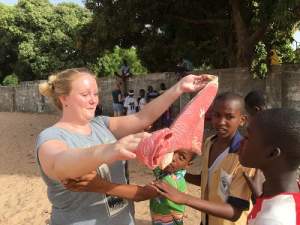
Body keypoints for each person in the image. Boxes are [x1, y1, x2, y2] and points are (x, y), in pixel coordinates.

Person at [36, 67, 212, 225]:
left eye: (95, 94)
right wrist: (108, 150)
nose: (93, 101)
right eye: (85, 95)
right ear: (64, 98)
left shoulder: (102, 124)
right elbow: (58, 163)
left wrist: (179, 87)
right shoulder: (51, 137)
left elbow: (142, 118)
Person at [153, 92, 255, 225]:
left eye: (229, 117)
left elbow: (234, 212)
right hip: (206, 220)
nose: (221, 122)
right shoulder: (209, 143)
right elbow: (206, 179)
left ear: (242, 120)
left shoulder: (245, 158)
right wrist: (177, 173)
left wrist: (184, 198)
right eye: (217, 115)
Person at [64, 149, 197, 225]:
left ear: (187, 165)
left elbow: (142, 194)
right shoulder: (168, 171)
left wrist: (100, 185)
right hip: (161, 219)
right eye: (173, 152)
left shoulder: (171, 179)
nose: (173, 158)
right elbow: (154, 166)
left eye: (181, 157)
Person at [238, 108, 300, 225]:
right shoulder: (290, 189)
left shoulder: (273, 220)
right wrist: (260, 196)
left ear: (271, 153)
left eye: (248, 137)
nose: (241, 141)